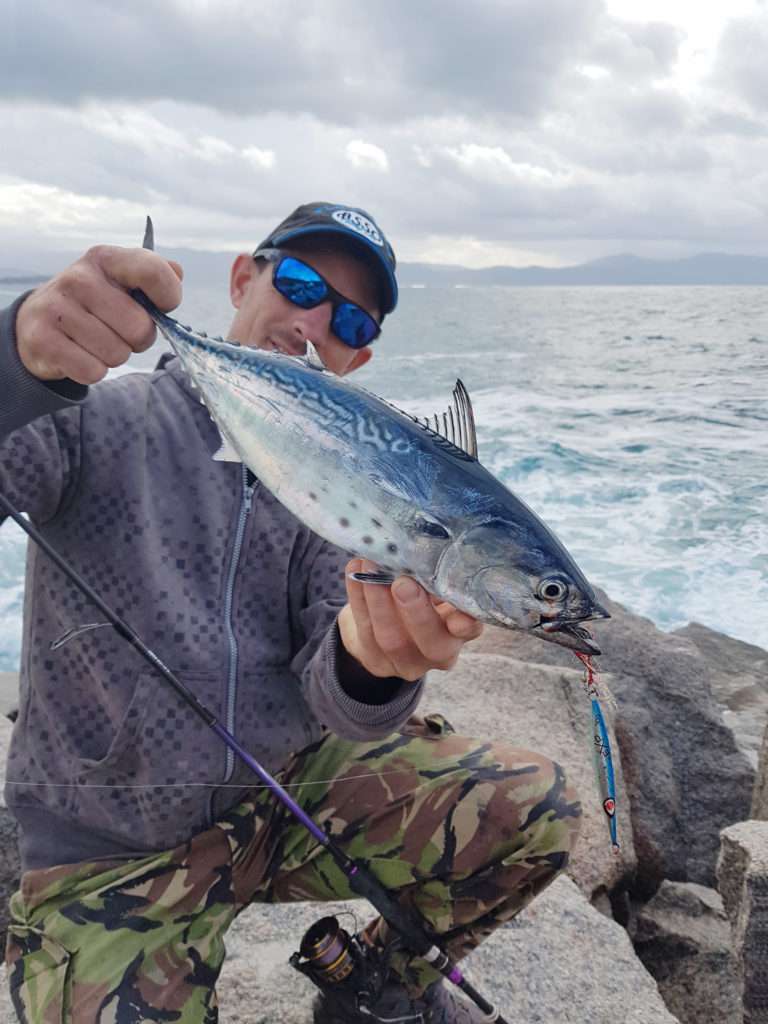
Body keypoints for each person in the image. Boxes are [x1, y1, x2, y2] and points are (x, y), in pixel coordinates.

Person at [0, 201, 582, 1023]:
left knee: (536, 809)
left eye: (347, 316)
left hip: (285, 801)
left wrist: (371, 665)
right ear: (243, 277)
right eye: (301, 282)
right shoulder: (93, 422)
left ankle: (380, 987)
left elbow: (334, 683)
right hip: (114, 845)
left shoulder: (350, 494)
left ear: (360, 354)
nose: (313, 320)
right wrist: (15, 365)